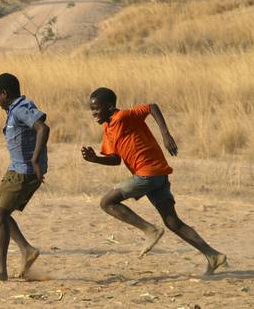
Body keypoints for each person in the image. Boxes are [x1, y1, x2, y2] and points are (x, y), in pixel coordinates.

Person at [81, 87, 226, 275]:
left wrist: (165, 134)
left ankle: (150, 230)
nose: (93, 113)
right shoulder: (108, 128)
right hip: (157, 176)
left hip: (147, 174)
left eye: (96, 109)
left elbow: (152, 107)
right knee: (173, 222)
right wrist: (95, 159)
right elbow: (116, 160)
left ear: (109, 107)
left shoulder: (123, 116)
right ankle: (213, 255)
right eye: (91, 110)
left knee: (107, 202)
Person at [0, 73, 50, 281]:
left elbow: (43, 128)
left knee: (0, 215)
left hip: (25, 173)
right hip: (15, 169)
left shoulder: (21, 109)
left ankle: (1, 271)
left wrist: (36, 161)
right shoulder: (14, 109)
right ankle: (27, 249)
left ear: (5, 93)